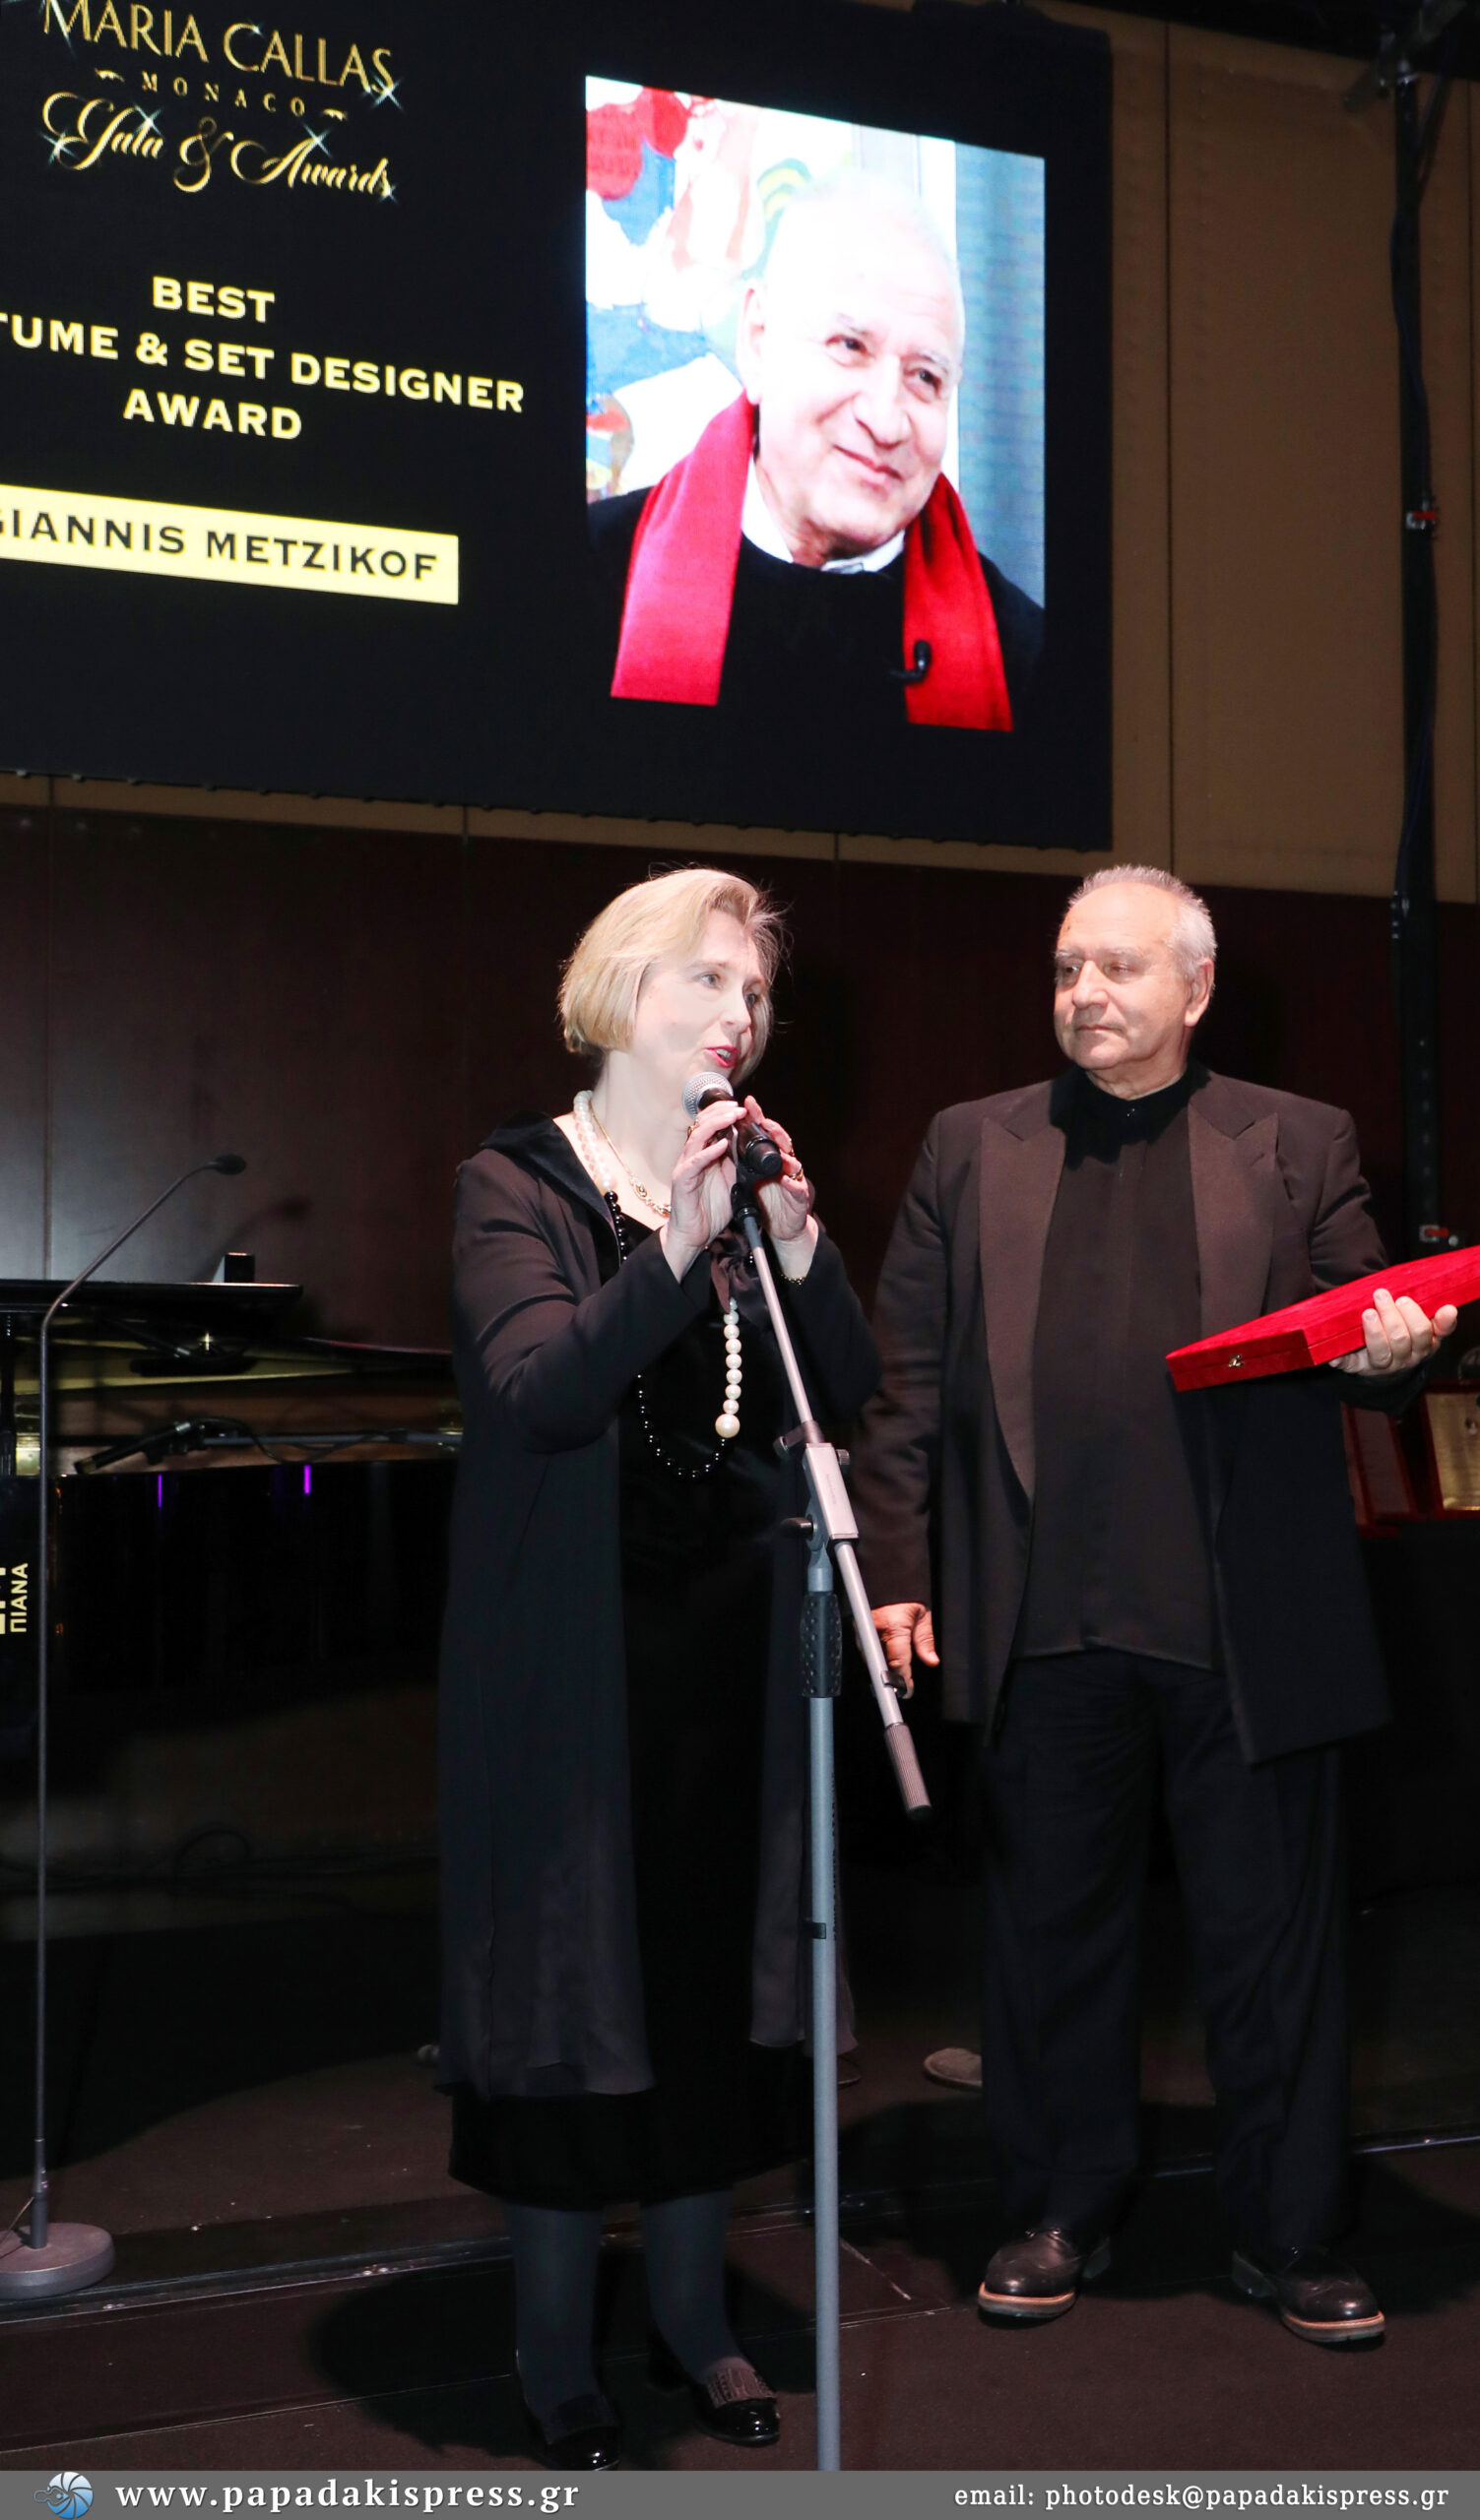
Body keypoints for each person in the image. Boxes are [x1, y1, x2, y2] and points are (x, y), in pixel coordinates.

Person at [850, 866, 1454, 2351]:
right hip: (1038, 1618)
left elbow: (1368, 1327)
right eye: (1068, 969)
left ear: (1195, 987)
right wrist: (898, 1570)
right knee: (1047, 1940)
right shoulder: (969, 1143)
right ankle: (1058, 2206)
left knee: (1273, 1949)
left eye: (1117, 968)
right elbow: (905, 1381)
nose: (1084, 994)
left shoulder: (1295, 1140)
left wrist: (1394, 1349)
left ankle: (1290, 2230)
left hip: (1246, 1625)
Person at [437, 866, 878, 2466]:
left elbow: (844, 1388)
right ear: (622, 993)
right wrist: (678, 1245)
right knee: (576, 2004)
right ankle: (555, 2354)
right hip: (573, 1678)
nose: (737, 1014)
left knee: (704, 2000)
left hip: (728, 1674)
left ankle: (695, 2323)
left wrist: (793, 1243)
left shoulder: (737, 1186)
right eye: (705, 980)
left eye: (751, 991)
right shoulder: (514, 1184)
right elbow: (539, 1392)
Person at [590, 175, 1044, 735]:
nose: (885, 420)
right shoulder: (586, 581)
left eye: (925, 377)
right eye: (850, 347)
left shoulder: (1023, 663)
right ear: (757, 339)